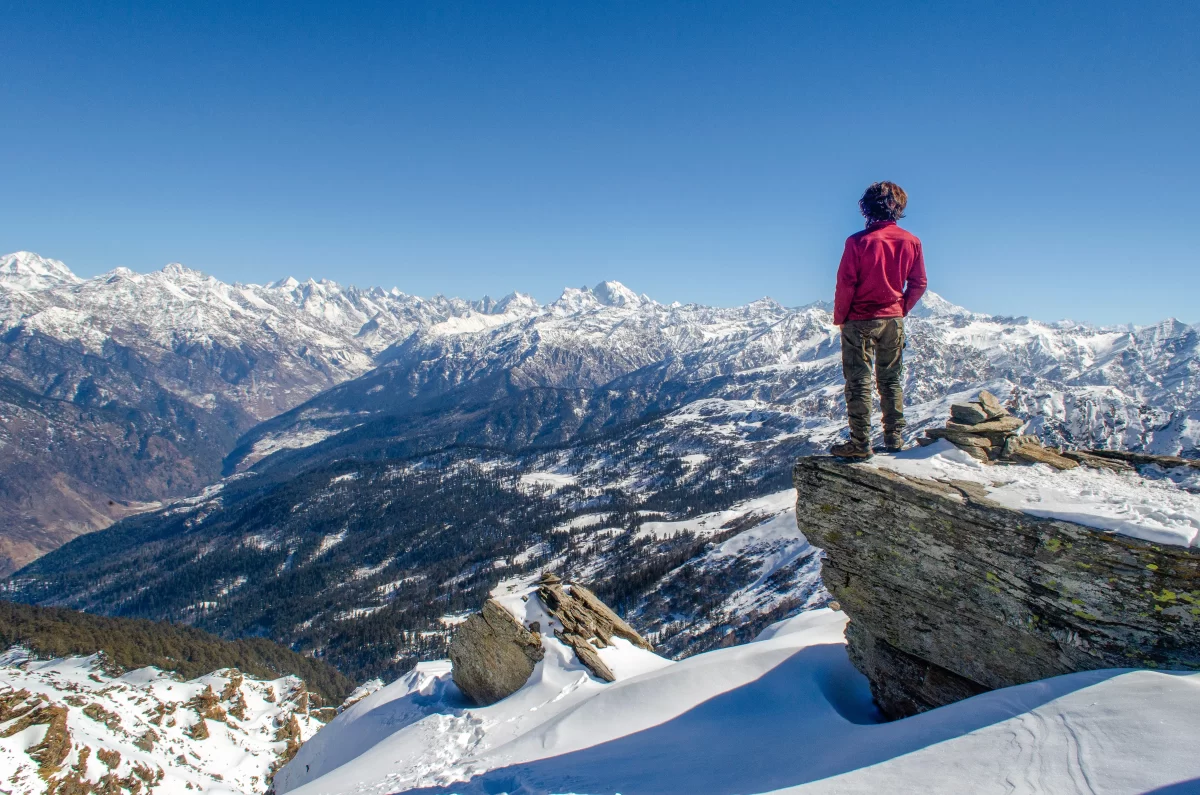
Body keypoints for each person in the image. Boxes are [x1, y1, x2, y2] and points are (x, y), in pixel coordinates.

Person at [829, 181, 927, 459]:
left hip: (859, 320)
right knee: (891, 379)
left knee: (859, 381)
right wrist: (900, 309)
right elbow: (918, 283)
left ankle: (860, 443)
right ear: (898, 209)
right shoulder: (912, 242)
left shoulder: (857, 242)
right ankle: (894, 437)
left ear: (867, 208)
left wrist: (841, 317)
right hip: (893, 320)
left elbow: (846, 283)